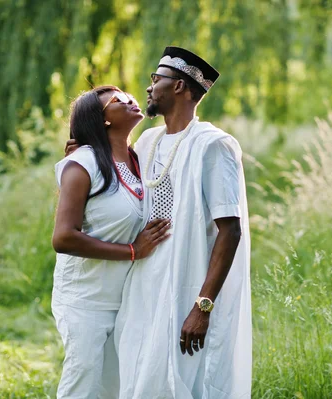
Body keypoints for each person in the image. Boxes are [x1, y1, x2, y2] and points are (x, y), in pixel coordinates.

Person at [113, 47, 252, 398]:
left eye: (155, 79)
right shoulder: (147, 141)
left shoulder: (213, 145)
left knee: (188, 377)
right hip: (146, 281)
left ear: (179, 88)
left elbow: (229, 229)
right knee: (142, 371)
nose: (149, 87)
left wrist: (202, 306)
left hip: (189, 285)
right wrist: (79, 154)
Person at [51, 85, 171, 399]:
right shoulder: (83, 164)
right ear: (102, 120)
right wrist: (133, 251)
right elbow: (63, 237)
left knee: (114, 388)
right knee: (83, 384)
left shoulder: (141, 159)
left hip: (127, 298)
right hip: (85, 298)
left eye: (129, 95)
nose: (132, 100)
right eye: (119, 101)